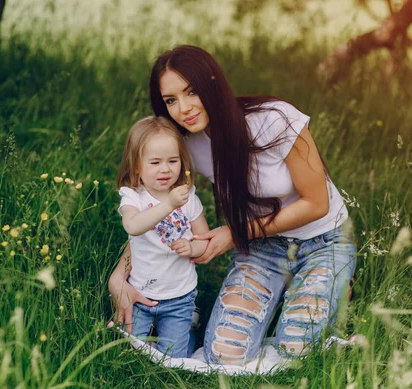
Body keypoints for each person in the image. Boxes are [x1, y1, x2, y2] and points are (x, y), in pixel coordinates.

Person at [108, 45, 356, 365]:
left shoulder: (275, 119)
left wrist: (235, 233)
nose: (183, 108)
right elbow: (159, 211)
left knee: (298, 350)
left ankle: (336, 283)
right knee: (224, 353)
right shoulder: (186, 146)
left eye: (191, 91)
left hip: (324, 240)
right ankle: (291, 294)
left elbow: (317, 203)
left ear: (212, 83)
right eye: (171, 100)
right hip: (263, 247)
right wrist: (119, 276)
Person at [114, 116, 210, 358]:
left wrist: (192, 248)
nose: (165, 169)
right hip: (140, 295)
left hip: (180, 297)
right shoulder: (134, 197)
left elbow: (203, 238)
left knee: (175, 359)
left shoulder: (187, 198)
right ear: (137, 167)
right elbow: (133, 226)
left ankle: (190, 325)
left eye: (173, 161)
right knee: (130, 354)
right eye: (155, 162)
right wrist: (168, 204)